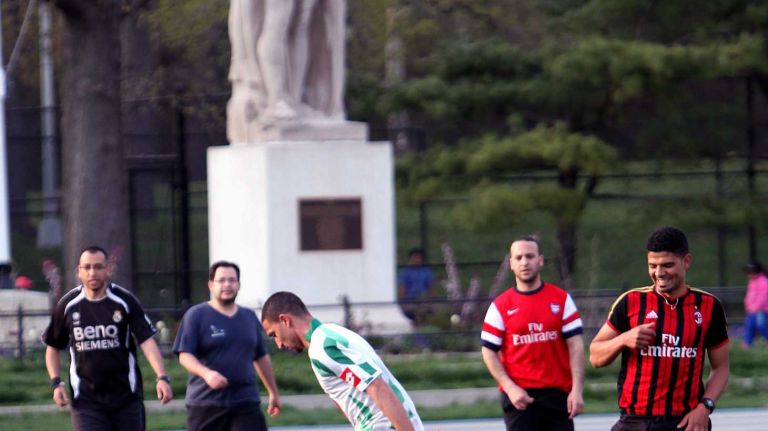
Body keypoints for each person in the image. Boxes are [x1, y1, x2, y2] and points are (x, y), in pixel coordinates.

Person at [589, 226, 730, 431]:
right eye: (652, 265)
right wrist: (623, 339)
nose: (659, 273)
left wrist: (705, 407)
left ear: (686, 261)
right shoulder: (631, 302)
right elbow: (595, 356)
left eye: (667, 265)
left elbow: (721, 367)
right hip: (635, 421)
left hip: (685, 421)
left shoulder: (709, 306)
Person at [43, 246, 173, 431]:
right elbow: (53, 347)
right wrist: (56, 383)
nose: (92, 272)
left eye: (98, 267)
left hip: (126, 398)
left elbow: (146, 340)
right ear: (79, 271)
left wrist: (162, 377)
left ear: (108, 269)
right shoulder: (68, 305)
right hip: (86, 401)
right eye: (86, 267)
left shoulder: (125, 301)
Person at [261, 291, 424, 431]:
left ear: (285, 320)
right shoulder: (331, 335)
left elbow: (378, 388)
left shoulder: (324, 347)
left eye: (274, 334)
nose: (279, 344)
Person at [480, 235, 585, 431]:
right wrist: (510, 388)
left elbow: (576, 345)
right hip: (520, 398)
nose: (525, 262)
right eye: (518, 258)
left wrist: (577, 391)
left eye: (530, 256)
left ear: (540, 260)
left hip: (557, 396)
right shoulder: (500, 306)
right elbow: (488, 351)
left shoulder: (561, 299)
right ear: (511, 263)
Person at [173, 261, 280, 431]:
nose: (227, 284)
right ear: (210, 285)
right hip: (206, 404)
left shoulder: (249, 317)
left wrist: (273, 392)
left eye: (232, 280)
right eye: (221, 280)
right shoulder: (196, 315)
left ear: (239, 284)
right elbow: (185, 355)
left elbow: (261, 356)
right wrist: (207, 374)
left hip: (246, 402)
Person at [397, 248, 434, 326]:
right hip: (410, 301)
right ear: (411, 259)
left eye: (419, 258)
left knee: (426, 313)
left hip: (423, 300)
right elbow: (402, 288)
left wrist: (432, 300)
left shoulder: (426, 271)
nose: (417, 260)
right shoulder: (405, 272)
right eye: (415, 257)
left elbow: (430, 288)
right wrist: (401, 303)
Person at [742, 261, 768, 348]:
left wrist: (756, 307)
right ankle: (747, 343)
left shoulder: (763, 281)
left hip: (762, 310)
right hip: (752, 310)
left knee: (761, 326)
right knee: (749, 326)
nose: (748, 275)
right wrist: (748, 305)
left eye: (750, 272)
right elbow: (749, 295)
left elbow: (763, 297)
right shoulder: (752, 281)